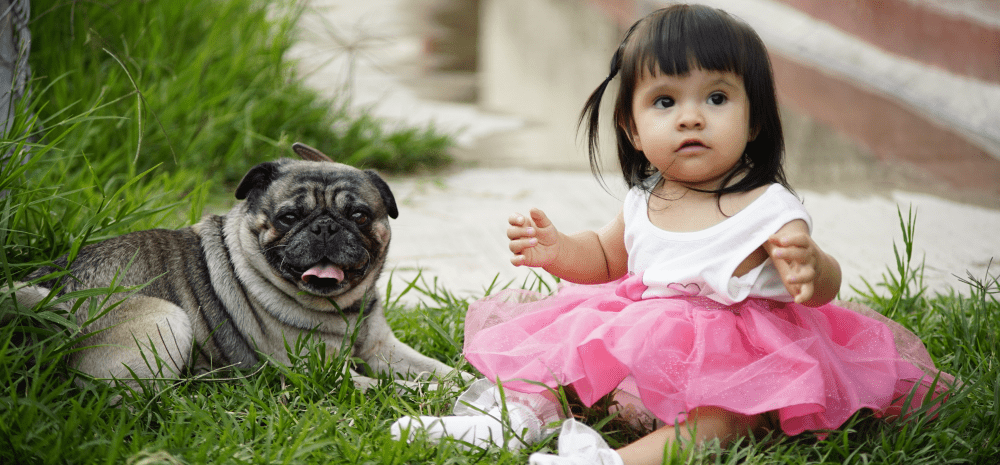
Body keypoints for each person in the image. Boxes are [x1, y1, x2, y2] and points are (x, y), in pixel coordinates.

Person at [391, 5, 953, 464]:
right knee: (560, 363)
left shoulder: (767, 206)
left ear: (754, 120)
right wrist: (561, 251)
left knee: (725, 420)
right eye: (665, 101)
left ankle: (610, 461)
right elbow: (608, 257)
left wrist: (811, 265)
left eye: (716, 98)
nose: (691, 117)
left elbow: (822, 286)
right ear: (633, 130)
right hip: (639, 339)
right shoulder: (644, 201)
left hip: (735, 357)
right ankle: (510, 422)